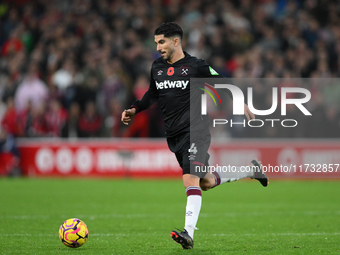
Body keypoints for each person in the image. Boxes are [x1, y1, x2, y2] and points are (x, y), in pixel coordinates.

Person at [121, 22, 268, 249]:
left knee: (189, 179)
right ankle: (252, 170)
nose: (158, 47)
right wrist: (134, 109)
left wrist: (241, 102)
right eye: (156, 43)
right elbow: (152, 94)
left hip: (195, 130)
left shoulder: (195, 66)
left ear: (176, 41)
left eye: (162, 42)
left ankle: (188, 234)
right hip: (174, 136)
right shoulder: (157, 67)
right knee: (206, 182)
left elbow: (222, 82)